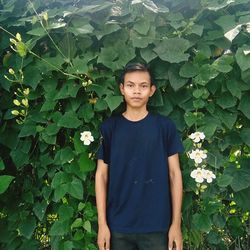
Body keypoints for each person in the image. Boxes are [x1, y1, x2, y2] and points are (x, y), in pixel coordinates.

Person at [95, 62, 184, 250]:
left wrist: (176, 225)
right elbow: (101, 176)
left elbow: (175, 174)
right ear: (122, 89)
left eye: (143, 86)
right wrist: (102, 225)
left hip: (158, 226)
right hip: (118, 226)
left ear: (152, 90)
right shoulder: (110, 128)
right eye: (130, 85)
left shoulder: (164, 127)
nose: (137, 91)